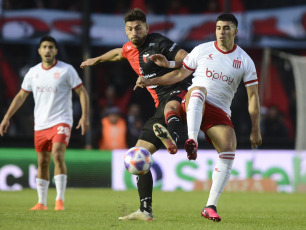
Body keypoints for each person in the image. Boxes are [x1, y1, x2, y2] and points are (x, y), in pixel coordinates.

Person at [135, 13, 262, 222]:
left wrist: (255, 128)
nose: (222, 32)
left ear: (236, 32)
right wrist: (152, 81)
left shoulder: (245, 61)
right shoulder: (203, 50)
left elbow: (253, 97)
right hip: (194, 102)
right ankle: (189, 139)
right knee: (196, 90)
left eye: (227, 28)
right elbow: (179, 75)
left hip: (219, 110)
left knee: (229, 148)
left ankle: (210, 206)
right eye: (219, 27)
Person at [80, 8, 191, 220]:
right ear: (125, 30)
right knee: (139, 155)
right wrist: (96, 60)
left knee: (171, 108)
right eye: (130, 29)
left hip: (180, 91)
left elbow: (186, 59)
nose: (134, 32)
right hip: (161, 104)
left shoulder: (159, 42)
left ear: (147, 28)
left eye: (138, 28)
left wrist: (169, 63)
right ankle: (145, 210)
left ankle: (175, 138)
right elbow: (117, 53)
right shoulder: (129, 49)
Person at [0, 35, 90, 211]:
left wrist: (84, 116)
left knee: (57, 154)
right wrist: (6, 117)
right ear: (39, 51)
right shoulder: (33, 72)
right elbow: (21, 95)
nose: (48, 50)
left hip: (62, 120)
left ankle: (59, 200)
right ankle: (41, 203)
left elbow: (82, 92)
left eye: (51, 47)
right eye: (45, 47)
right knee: (42, 161)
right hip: (41, 123)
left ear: (56, 51)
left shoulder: (66, 70)